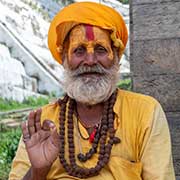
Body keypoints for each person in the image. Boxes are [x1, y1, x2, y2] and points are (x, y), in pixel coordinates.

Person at [9, 1, 175, 180]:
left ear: (116, 57)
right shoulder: (42, 123)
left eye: (101, 50)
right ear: (65, 60)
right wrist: (38, 171)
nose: (90, 60)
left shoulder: (145, 113)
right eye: (79, 50)